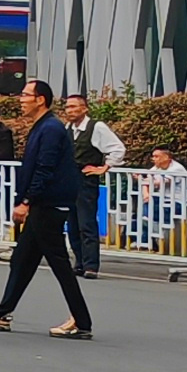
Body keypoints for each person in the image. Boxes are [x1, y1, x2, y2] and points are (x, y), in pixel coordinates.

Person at [0, 80, 93, 337]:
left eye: (26, 95)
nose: (21, 99)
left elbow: (45, 168)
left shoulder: (50, 128)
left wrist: (26, 201)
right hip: (44, 203)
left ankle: (82, 322)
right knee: (22, 261)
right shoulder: (44, 126)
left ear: (41, 100)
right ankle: (0, 313)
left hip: (48, 204)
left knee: (59, 264)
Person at [63, 91, 121, 278]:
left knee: (86, 223)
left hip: (86, 179)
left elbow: (117, 148)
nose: (69, 110)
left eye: (73, 106)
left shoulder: (97, 127)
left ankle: (91, 265)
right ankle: (78, 262)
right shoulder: (68, 128)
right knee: (72, 223)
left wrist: (104, 167)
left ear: (84, 108)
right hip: (69, 179)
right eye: (67, 107)